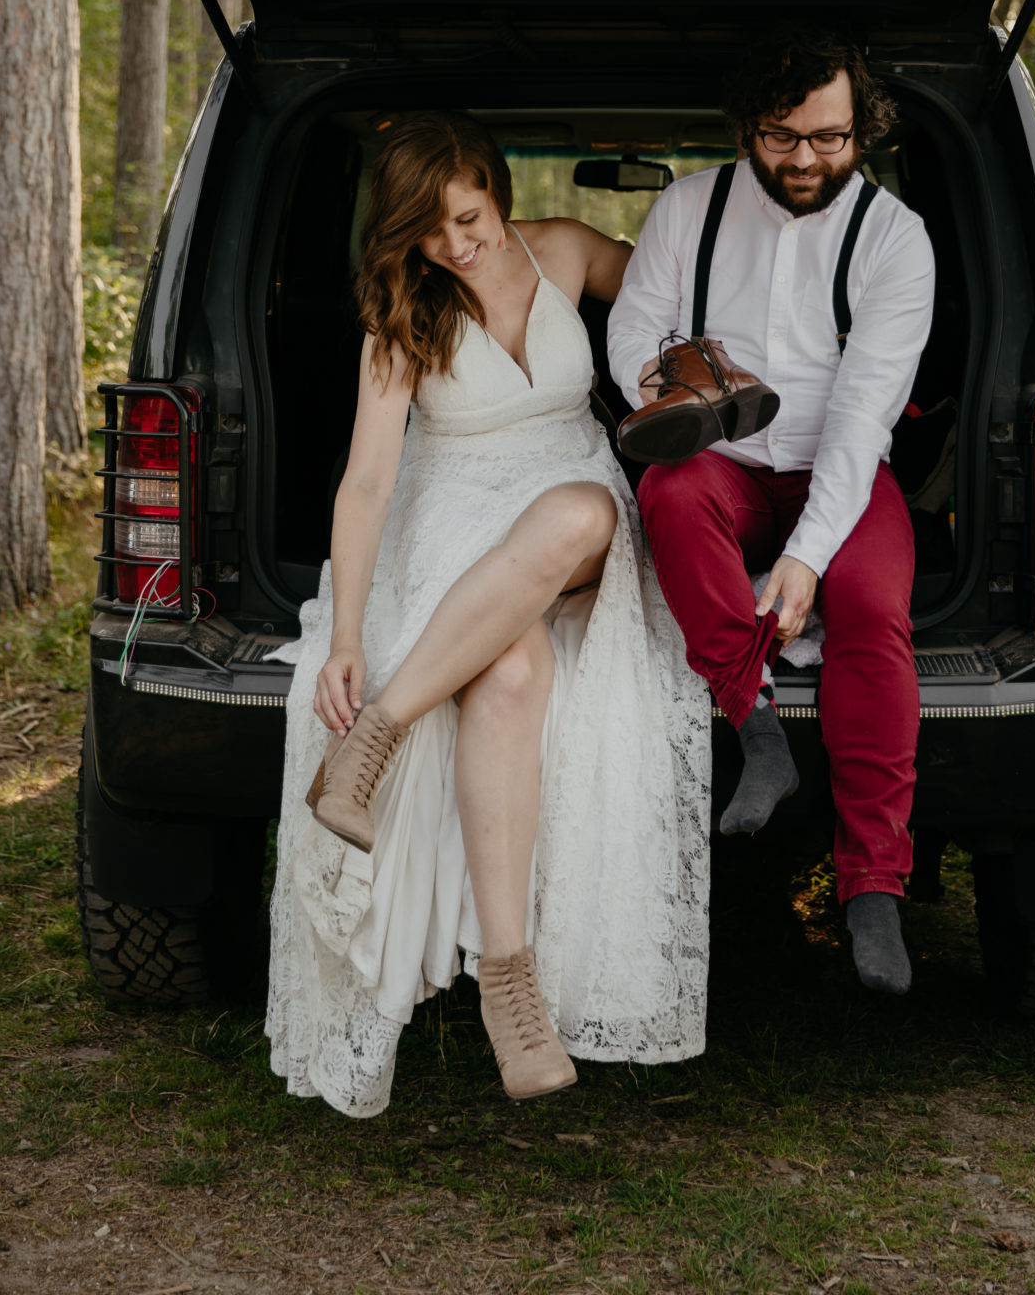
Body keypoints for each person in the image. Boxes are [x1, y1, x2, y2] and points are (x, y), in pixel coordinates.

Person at [266, 113, 709, 1118]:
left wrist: (667, 369)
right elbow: (370, 478)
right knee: (508, 673)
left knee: (577, 511)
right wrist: (344, 638)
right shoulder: (404, 308)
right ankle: (510, 982)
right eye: (426, 229)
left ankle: (374, 738)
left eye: (465, 215)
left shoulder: (565, 248)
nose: (453, 243)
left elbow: (667, 292)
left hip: (568, 491)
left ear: (491, 184)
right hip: (452, 517)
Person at [607, 31, 934, 996]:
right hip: (724, 458)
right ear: (749, 129)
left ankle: (871, 883)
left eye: (828, 139)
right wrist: (670, 387)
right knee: (668, 493)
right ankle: (753, 725)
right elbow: (632, 322)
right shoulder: (687, 207)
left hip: (838, 470)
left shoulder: (893, 238)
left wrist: (805, 558)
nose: (804, 160)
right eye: (782, 137)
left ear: (859, 127)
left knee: (873, 611)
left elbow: (863, 416)